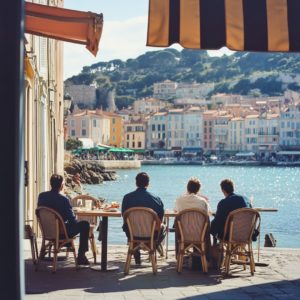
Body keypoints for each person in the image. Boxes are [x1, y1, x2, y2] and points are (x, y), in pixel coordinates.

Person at [38, 174, 90, 265]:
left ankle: (65, 244)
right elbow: (72, 221)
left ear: (51, 184)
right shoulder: (64, 200)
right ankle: (81, 256)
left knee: (69, 225)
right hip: (61, 232)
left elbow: (40, 212)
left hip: (47, 231)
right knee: (85, 224)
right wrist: (74, 216)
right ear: (61, 186)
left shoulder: (41, 196)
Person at [121, 172, 165, 264]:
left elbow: (124, 217)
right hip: (151, 235)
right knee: (163, 228)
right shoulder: (156, 199)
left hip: (132, 233)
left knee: (128, 226)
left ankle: (135, 248)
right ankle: (152, 247)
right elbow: (159, 221)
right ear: (148, 184)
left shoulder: (127, 198)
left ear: (136, 183)